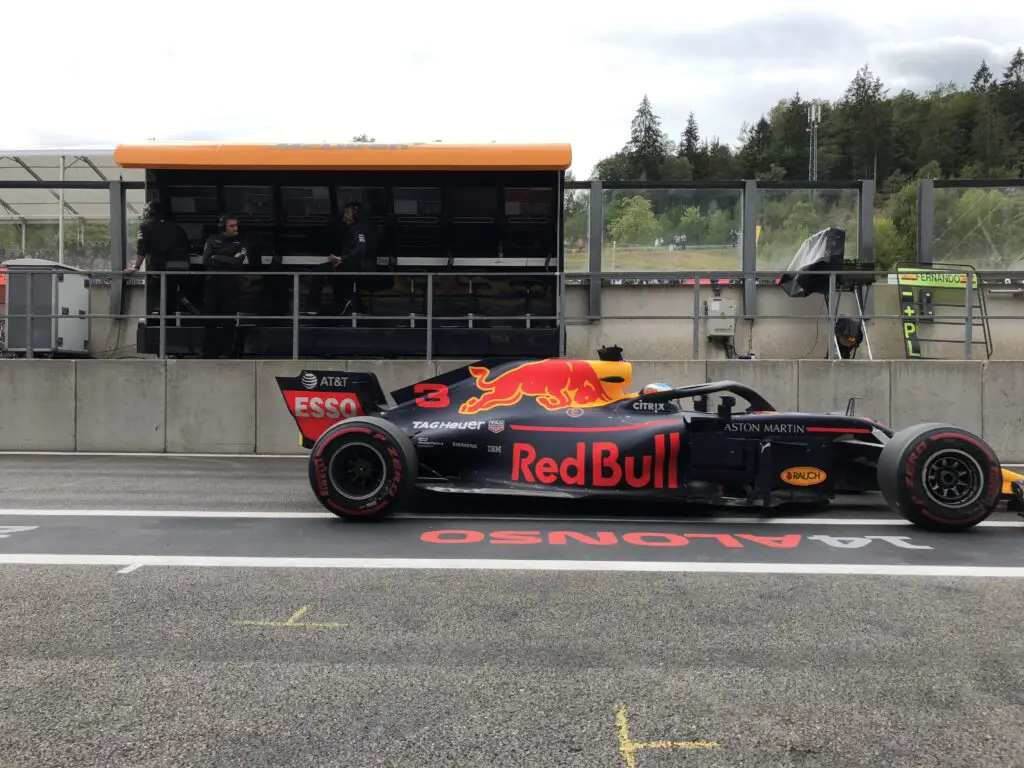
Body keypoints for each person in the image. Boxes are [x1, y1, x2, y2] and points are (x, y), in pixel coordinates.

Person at [122, 202, 194, 316]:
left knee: (157, 292)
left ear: (150, 211)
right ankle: (180, 305)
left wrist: (136, 267)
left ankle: (156, 315)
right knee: (172, 293)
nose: (143, 213)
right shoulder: (177, 227)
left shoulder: (145, 226)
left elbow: (142, 248)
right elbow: (187, 247)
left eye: (144, 210)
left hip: (159, 268)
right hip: (180, 268)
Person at [307, 201, 377, 315]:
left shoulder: (358, 229)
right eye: (344, 213)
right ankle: (345, 304)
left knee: (320, 271)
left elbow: (361, 249)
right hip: (357, 267)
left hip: (358, 268)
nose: (345, 216)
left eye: (348, 213)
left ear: (357, 213)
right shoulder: (364, 227)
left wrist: (342, 259)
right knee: (334, 277)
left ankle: (312, 307)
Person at [200, 214, 248, 358]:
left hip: (230, 285)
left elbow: (238, 262)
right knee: (209, 319)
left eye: (236, 225)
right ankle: (208, 351)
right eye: (232, 226)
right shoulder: (211, 239)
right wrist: (228, 259)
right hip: (212, 284)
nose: (235, 228)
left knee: (228, 320)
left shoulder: (240, 243)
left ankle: (228, 352)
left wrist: (217, 257)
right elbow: (206, 260)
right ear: (223, 227)